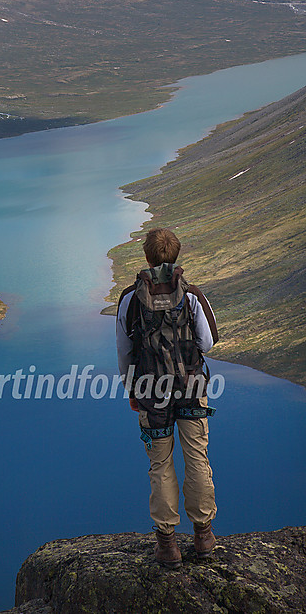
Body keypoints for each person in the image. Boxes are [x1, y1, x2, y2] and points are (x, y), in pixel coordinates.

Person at [116, 227, 218, 568]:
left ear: (147, 257)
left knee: (161, 465)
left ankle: (168, 545)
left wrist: (133, 391)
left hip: (151, 394)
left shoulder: (131, 299)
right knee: (197, 459)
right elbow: (207, 343)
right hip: (191, 389)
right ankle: (203, 536)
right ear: (175, 256)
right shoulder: (192, 297)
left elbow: (124, 353)